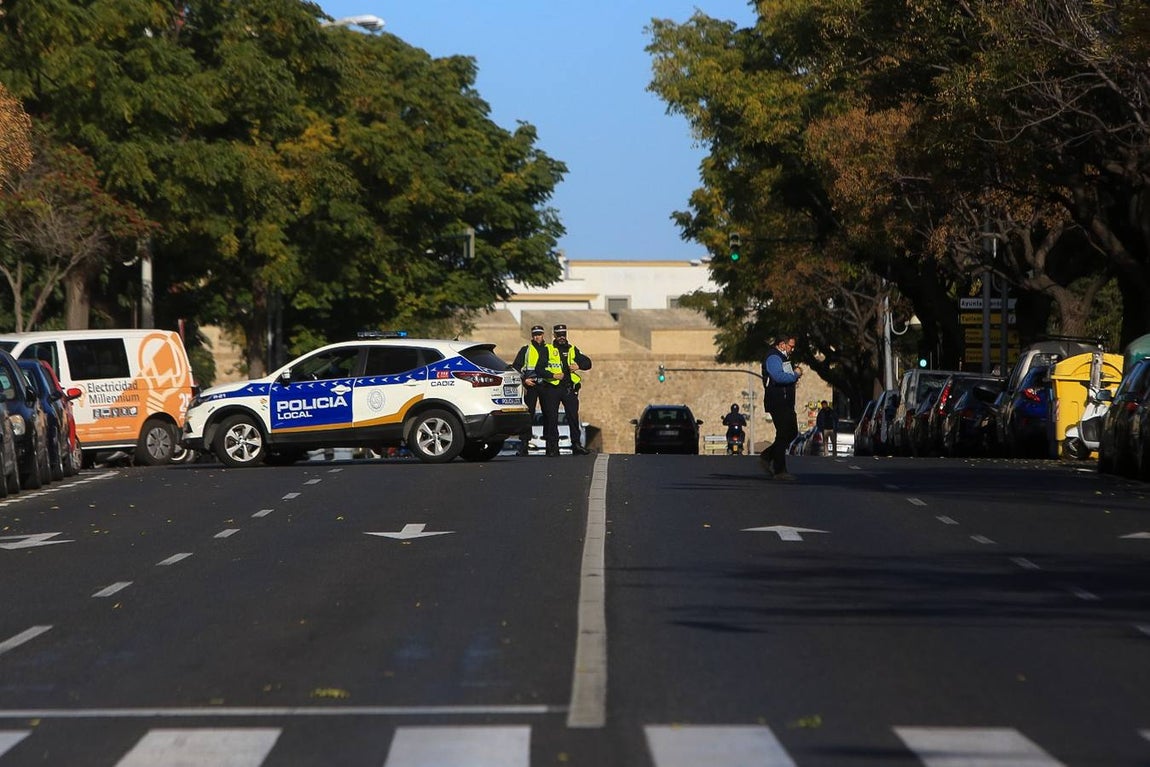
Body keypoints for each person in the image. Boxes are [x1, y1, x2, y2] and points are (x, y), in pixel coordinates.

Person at [759, 334, 803, 479]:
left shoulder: (784, 358)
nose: (792, 349)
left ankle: (767, 456)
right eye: (791, 346)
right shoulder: (773, 357)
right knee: (783, 432)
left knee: (792, 432)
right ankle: (779, 470)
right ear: (782, 345)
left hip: (786, 402)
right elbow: (778, 376)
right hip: (777, 401)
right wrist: (795, 375)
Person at [551, 324, 593, 454]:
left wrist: (578, 365)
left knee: (573, 417)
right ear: (554, 336)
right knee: (552, 417)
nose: (561, 337)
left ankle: (576, 444)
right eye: (559, 335)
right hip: (552, 387)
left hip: (569, 388)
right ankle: (553, 446)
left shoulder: (572, 349)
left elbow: (588, 363)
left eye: (563, 334)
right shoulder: (548, 349)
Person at [512, 325, 548, 455]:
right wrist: (524, 380)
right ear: (532, 336)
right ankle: (524, 444)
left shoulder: (549, 349)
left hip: (546, 386)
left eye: (539, 334)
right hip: (531, 386)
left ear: (543, 335)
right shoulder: (526, 350)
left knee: (549, 415)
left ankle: (551, 445)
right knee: (528, 415)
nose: (537, 337)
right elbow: (516, 367)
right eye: (535, 335)